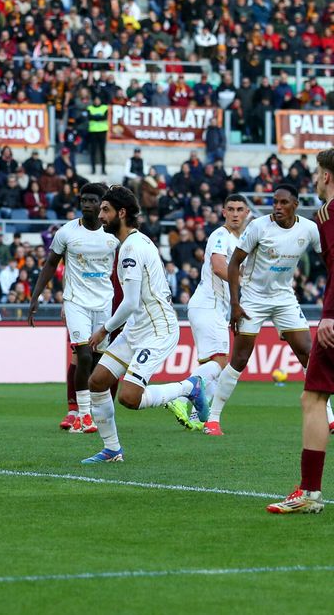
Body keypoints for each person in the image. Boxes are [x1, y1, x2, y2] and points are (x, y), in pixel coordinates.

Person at [83, 186, 209, 464]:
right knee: (98, 381)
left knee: (129, 397)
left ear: (122, 213)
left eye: (106, 210)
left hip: (157, 330)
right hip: (137, 329)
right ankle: (112, 450)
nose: (100, 215)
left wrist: (103, 329)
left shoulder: (132, 248)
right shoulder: (132, 243)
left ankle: (188, 388)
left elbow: (129, 303)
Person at [211, 184, 332, 434]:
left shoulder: (309, 229)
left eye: (283, 203)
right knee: (240, 359)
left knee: (309, 353)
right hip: (253, 299)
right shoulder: (258, 227)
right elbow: (234, 264)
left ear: (295, 205)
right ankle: (212, 419)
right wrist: (235, 303)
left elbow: (328, 261)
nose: (277, 207)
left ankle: (328, 416)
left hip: (284, 298)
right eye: (275, 202)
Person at [268, 150, 334, 513]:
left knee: (313, 399)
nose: (313, 178)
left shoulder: (327, 215)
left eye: (316, 173)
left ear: (326, 176)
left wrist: (330, 315)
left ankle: (309, 494)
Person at [27, 183, 117, 434]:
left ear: (103, 204)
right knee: (84, 355)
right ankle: (83, 415)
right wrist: (35, 297)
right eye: (83, 200)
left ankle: (96, 412)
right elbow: (49, 264)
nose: (87, 205)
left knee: (99, 359)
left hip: (104, 302)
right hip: (76, 301)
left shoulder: (113, 234)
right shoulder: (66, 232)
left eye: (92, 200)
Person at [170, 195, 249, 433]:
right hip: (209, 305)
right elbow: (218, 266)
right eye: (231, 209)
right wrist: (245, 281)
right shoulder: (220, 235)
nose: (235, 213)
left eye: (240, 210)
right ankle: (181, 397)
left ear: (246, 213)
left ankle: (197, 415)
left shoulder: (241, 241)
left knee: (213, 369)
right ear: (224, 212)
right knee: (221, 364)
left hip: (213, 308)